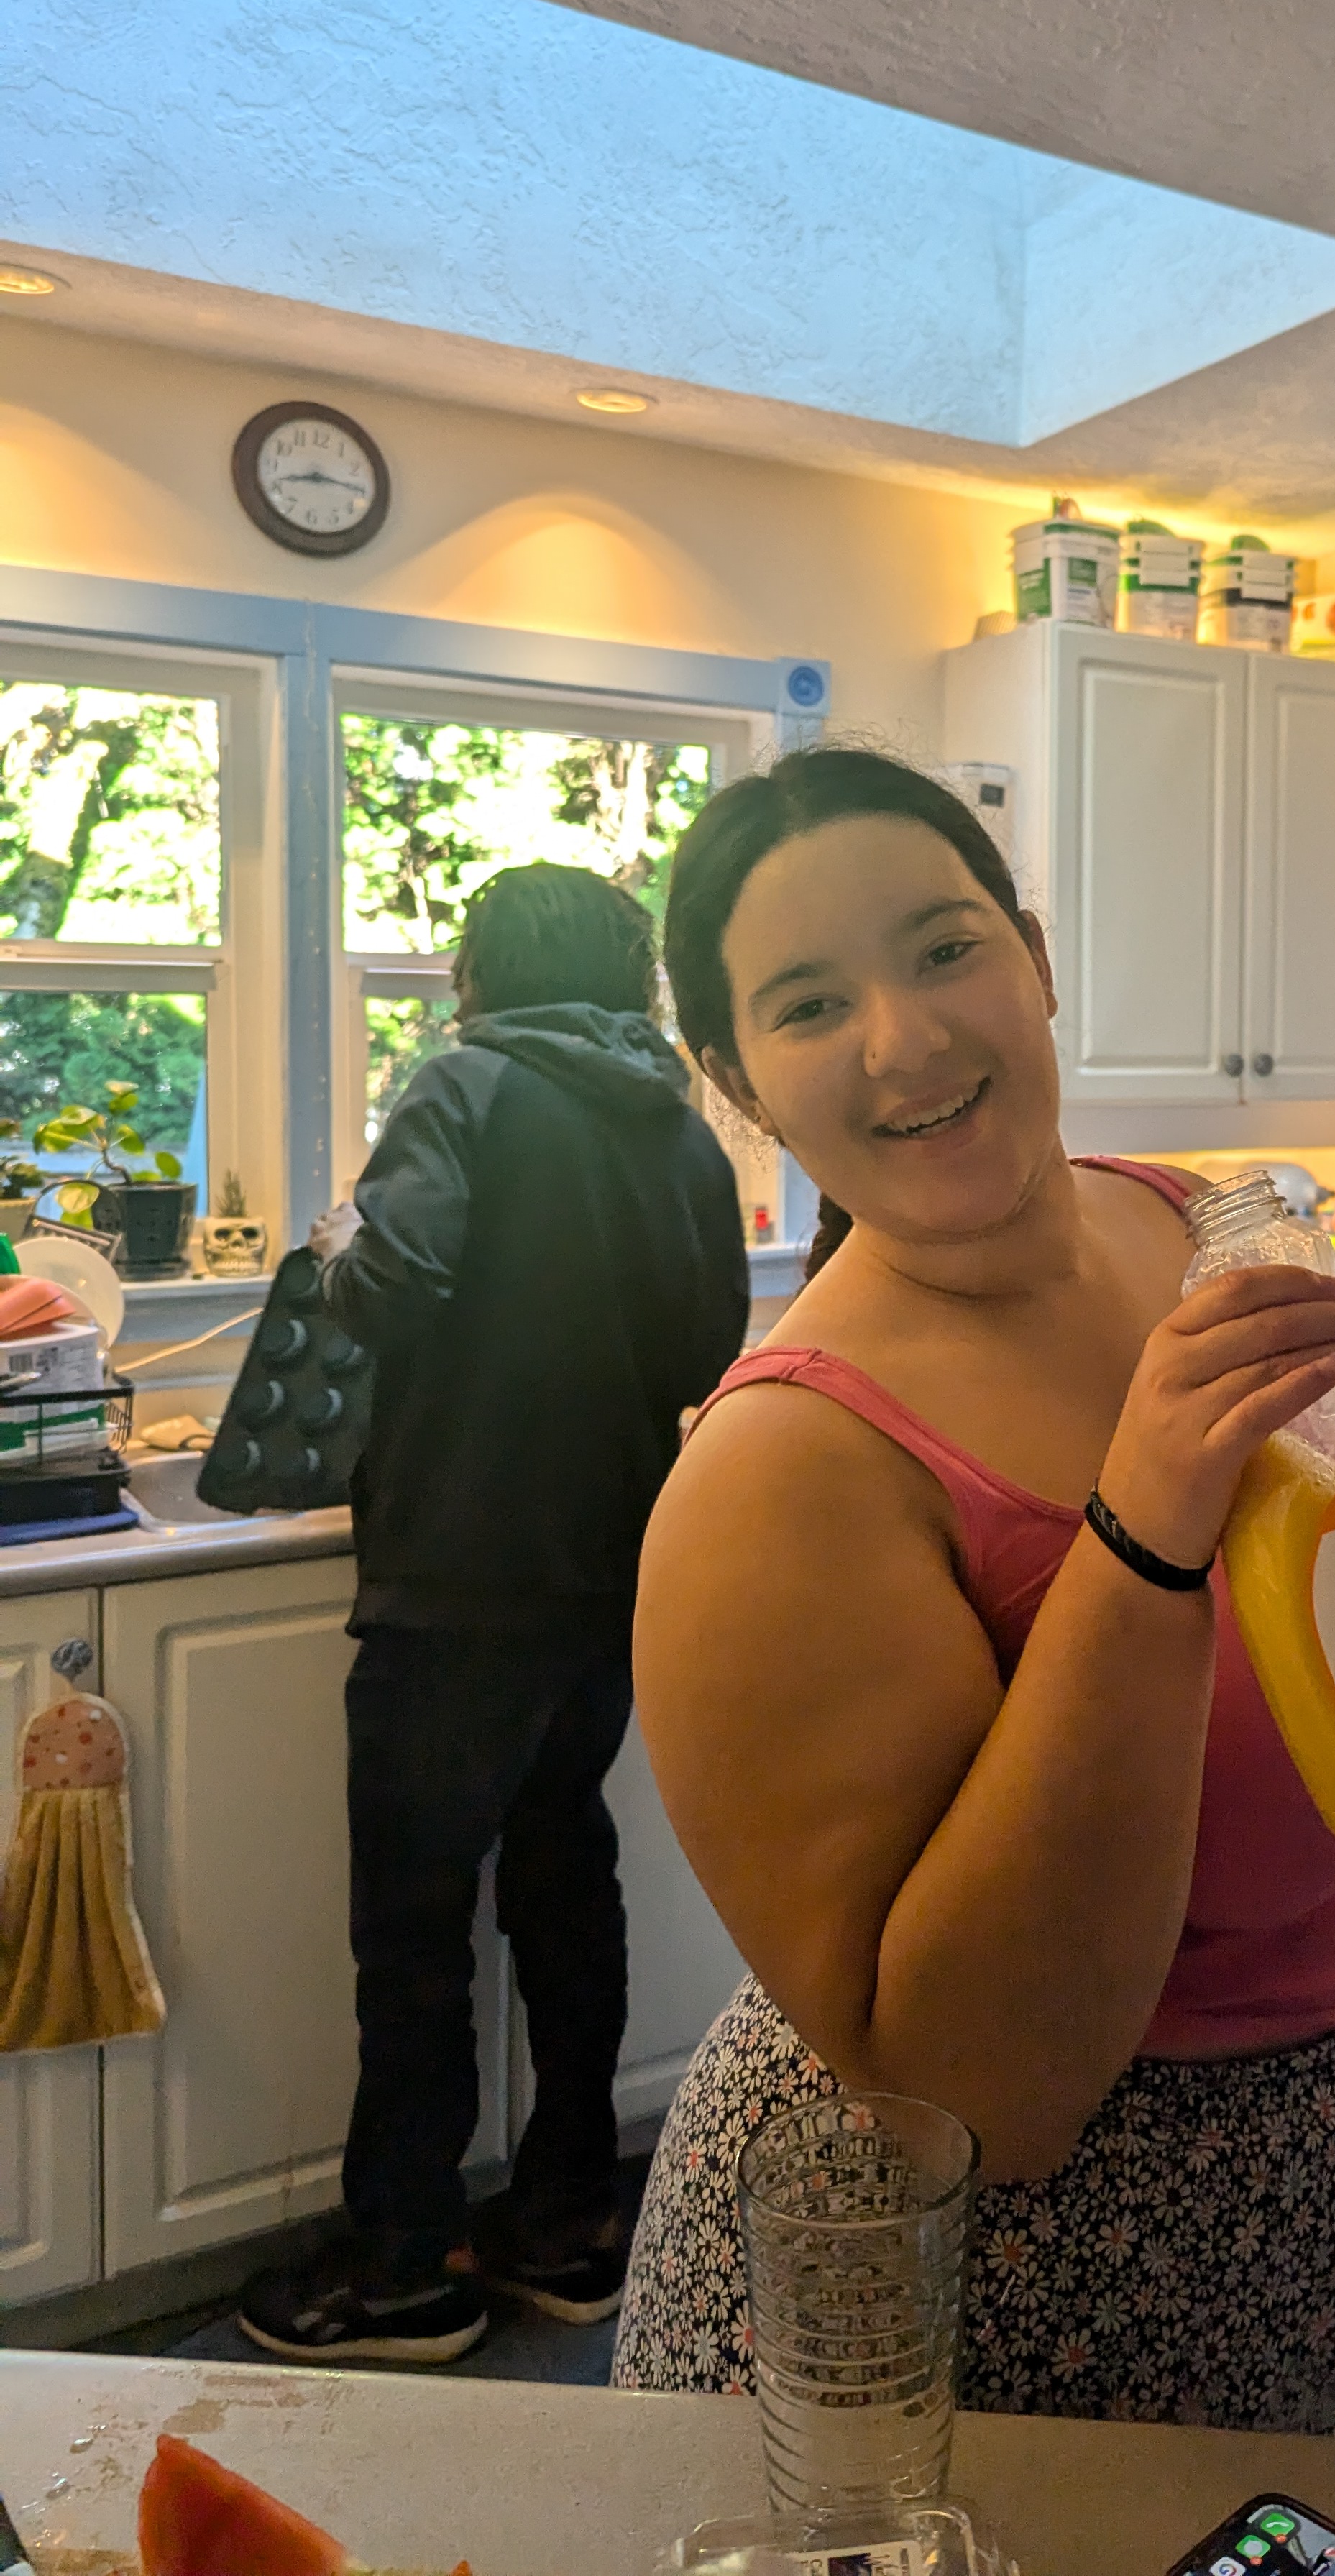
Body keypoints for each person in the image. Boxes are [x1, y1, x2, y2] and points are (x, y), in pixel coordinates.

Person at [611, 748, 1335, 2436]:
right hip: (978, 2301)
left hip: (1322, 2218)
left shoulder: (1198, 1232)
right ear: (739, 1080)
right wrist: (1141, 1534)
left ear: (1035, 960)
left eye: (944, 949)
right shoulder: (780, 1472)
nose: (905, 1040)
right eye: (811, 1004)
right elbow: (977, 2093)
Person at [239, 863, 748, 2365]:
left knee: (413, 1931)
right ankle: (571, 2223)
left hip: (458, 1575)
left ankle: (406, 2268)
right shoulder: (673, 1120)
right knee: (564, 1883)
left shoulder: (461, 1088)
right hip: (613, 1567)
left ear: (481, 974)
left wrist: (336, 1241)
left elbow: (391, 1282)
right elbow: (709, 1339)